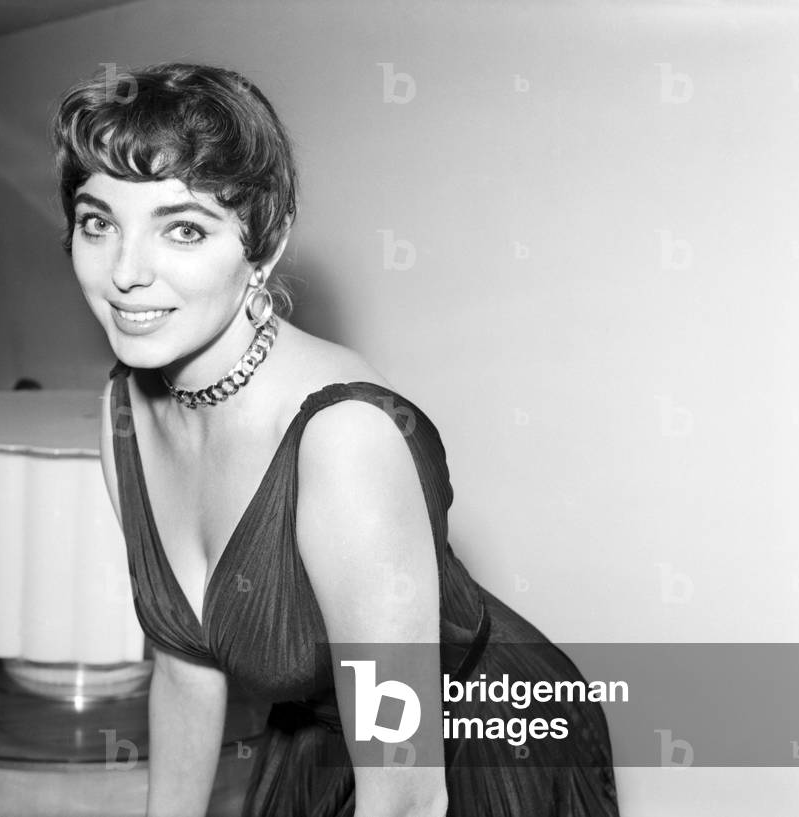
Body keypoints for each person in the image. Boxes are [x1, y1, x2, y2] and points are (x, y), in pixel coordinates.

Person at [53, 63, 619, 817]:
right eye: (98, 223)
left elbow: (406, 794)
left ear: (264, 246)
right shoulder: (122, 409)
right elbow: (185, 671)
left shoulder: (344, 440)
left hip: (483, 754)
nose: (125, 272)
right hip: (320, 739)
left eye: (182, 229)